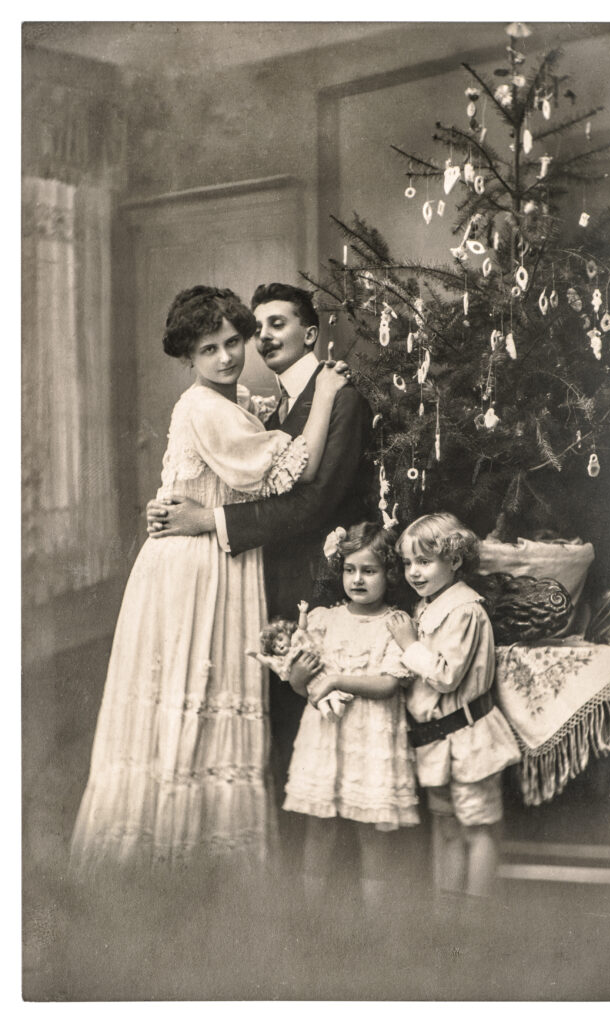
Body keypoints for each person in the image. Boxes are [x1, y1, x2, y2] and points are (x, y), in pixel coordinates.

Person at [70, 285, 348, 874]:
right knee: (193, 692)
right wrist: (323, 392)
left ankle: (192, 851)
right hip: (196, 568)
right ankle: (177, 855)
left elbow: (201, 478)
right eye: (207, 350)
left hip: (205, 554)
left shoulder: (231, 400)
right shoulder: (205, 407)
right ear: (187, 358)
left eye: (232, 342)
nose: (225, 357)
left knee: (200, 693)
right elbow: (297, 470)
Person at [145, 283, 373, 813]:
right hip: (249, 580)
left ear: (310, 334)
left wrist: (205, 518)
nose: (262, 337)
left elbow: (313, 503)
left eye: (279, 324)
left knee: (307, 735)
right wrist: (172, 504)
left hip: (308, 583)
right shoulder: (251, 404)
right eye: (260, 325)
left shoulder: (338, 396)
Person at [282, 522, 419, 914]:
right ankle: (310, 917)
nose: (357, 579)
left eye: (369, 570)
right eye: (350, 570)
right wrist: (300, 676)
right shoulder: (324, 619)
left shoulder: (395, 624)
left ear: (390, 573)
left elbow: (390, 684)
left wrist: (339, 679)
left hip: (370, 738)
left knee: (371, 830)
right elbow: (300, 686)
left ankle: (374, 923)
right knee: (319, 827)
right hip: (326, 738)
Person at [386, 513, 521, 906]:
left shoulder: (464, 610)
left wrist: (409, 644)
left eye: (424, 562)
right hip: (436, 739)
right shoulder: (428, 606)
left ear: (455, 560)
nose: (413, 572)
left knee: (477, 826)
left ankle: (475, 920)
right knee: (444, 825)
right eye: (408, 563)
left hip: (469, 737)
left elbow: (445, 676)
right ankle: (446, 917)